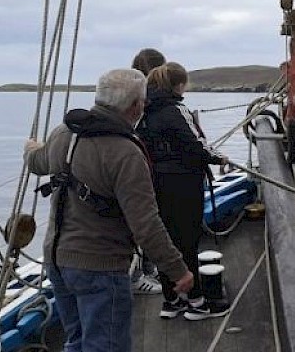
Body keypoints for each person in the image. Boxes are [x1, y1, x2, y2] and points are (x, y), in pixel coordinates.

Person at [26, 68, 192, 352]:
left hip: (57, 262)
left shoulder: (63, 133)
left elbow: (36, 163)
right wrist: (178, 270)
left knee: (76, 342)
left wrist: (31, 149)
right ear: (136, 106)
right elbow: (146, 225)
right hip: (99, 268)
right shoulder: (125, 152)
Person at [140, 62, 228, 320]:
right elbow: (197, 145)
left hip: (157, 185)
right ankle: (198, 302)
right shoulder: (177, 110)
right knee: (187, 242)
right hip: (184, 185)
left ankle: (171, 300)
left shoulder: (146, 113)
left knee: (166, 241)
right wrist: (220, 159)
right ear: (179, 85)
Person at [128, 48, 166, 295]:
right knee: (142, 218)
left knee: (146, 217)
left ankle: (148, 267)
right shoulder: (145, 99)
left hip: (147, 162)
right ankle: (136, 274)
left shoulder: (140, 96)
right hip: (143, 164)